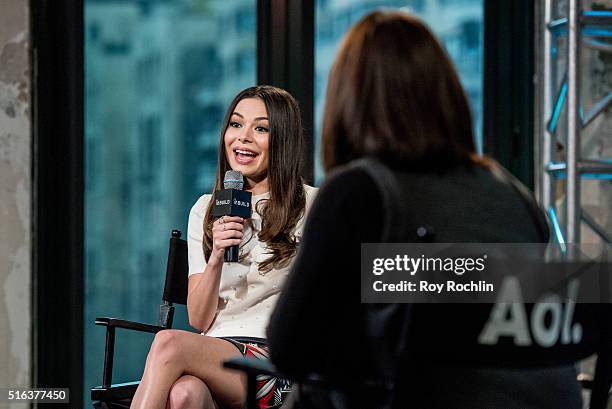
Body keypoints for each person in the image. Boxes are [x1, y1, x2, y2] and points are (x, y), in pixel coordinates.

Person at [267, 11, 602, 409]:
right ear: (447, 95)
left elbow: (289, 349)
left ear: (345, 102)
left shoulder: (360, 192)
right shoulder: (513, 194)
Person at [130, 85, 317, 409]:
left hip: (275, 363)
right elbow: (200, 321)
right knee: (183, 394)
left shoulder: (312, 205)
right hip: (214, 354)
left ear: (282, 139)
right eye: (235, 124)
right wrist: (216, 256)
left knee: (167, 342)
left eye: (260, 128)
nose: (242, 137)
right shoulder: (206, 208)